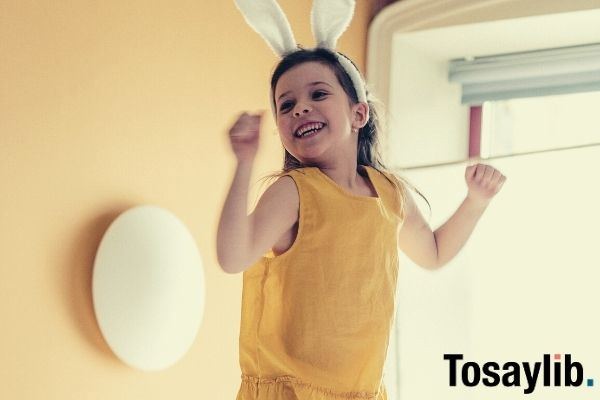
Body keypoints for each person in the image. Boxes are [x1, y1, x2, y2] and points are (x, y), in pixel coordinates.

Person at [216, 46, 506, 399]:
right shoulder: (294, 192)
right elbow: (233, 257)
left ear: (359, 114)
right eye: (286, 105)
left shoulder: (389, 194)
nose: (301, 108)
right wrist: (244, 161)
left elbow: (434, 252)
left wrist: (475, 202)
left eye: (318, 94)